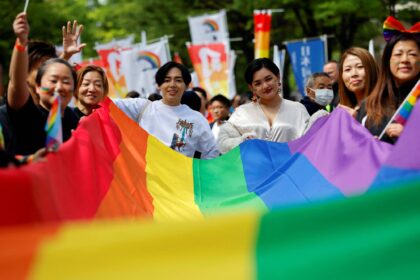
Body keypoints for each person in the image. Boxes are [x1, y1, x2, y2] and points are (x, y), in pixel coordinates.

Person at [5, 13, 78, 156]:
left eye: (66, 82)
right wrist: (21, 42)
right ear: (38, 85)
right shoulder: (26, 113)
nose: (59, 87)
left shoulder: (72, 116)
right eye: (52, 80)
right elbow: (17, 82)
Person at [113, 61, 219, 159]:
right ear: (159, 85)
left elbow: (212, 152)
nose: (172, 85)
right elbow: (107, 103)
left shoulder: (196, 119)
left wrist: (198, 174)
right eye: (167, 80)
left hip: (180, 178)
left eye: (178, 80)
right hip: (147, 177)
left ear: (186, 85)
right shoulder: (143, 108)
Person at [217, 58, 309, 154]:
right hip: (253, 168)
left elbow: (310, 142)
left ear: (277, 77)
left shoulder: (298, 109)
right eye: (258, 83)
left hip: (291, 167)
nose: (265, 86)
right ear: (251, 87)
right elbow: (224, 143)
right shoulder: (242, 112)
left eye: (268, 79)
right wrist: (242, 141)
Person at [357, 28, 419, 143]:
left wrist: (411, 137)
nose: (405, 59)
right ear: (387, 60)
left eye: (412, 54)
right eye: (398, 54)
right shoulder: (370, 104)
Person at [337, 47, 379, 117]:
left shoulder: (385, 105)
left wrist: (357, 120)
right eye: (348, 69)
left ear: (372, 70)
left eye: (360, 67)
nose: (354, 74)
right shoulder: (344, 111)